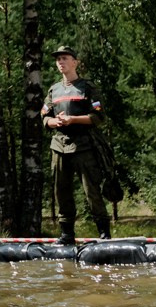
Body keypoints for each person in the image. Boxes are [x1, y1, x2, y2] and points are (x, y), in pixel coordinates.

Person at [42, 44, 111, 246]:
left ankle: (104, 233)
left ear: (75, 62)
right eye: (58, 59)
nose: (61, 62)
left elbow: (98, 116)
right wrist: (54, 122)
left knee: (91, 191)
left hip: (84, 146)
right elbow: (44, 116)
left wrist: (73, 119)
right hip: (59, 146)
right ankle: (66, 235)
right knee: (61, 191)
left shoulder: (87, 88)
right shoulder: (53, 90)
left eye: (65, 58)